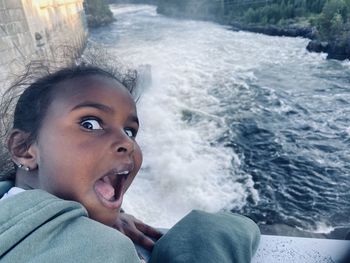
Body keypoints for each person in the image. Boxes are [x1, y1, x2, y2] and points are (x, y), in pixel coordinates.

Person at [0, 62, 260, 262]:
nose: (127, 143)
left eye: (130, 131)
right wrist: (211, 233)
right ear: (24, 149)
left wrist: (93, 217)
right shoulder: (101, 250)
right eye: (90, 123)